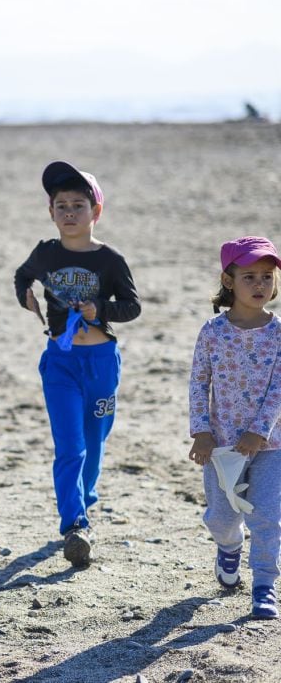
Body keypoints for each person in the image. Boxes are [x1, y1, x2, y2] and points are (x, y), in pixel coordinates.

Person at [13, 161, 141, 568]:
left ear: (95, 211)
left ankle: (85, 500)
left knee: (95, 442)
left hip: (102, 363)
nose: (69, 213)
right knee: (70, 445)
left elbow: (132, 307)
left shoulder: (111, 260)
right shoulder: (45, 252)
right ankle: (75, 524)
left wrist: (99, 307)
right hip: (61, 362)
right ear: (51, 213)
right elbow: (22, 275)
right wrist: (26, 297)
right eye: (61, 205)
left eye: (78, 205)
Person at [187, 236, 281, 619]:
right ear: (229, 281)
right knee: (222, 518)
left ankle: (264, 586)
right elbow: (198, 381)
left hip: (271, 445)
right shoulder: (212, 332)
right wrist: (201, 431)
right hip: (222, 447)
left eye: (267, 276)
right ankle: (229, 548)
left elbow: (280, 387)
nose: (260, 285)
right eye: (249, 277)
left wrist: (259, 431)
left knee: (267, 517)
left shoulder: (278, 333)